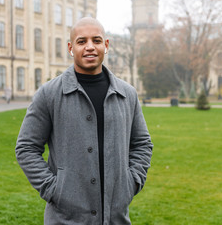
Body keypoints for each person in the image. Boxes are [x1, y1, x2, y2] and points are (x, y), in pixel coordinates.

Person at [15, 17, 153, 225]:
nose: (90, 47)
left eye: (96, 40)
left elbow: (142, 144)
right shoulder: (49, 94)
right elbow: (26, 148)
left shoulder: (127, 94)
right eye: (82, 42)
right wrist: (54, 189)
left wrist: (132, 182)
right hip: (65, 219)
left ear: (106, 46)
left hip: (115, 218)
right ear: (71, 48)